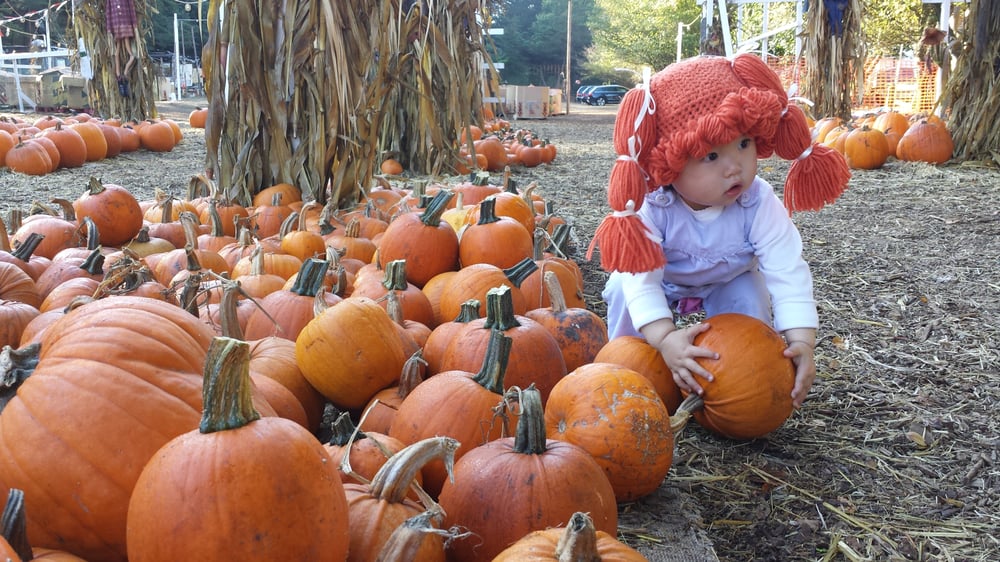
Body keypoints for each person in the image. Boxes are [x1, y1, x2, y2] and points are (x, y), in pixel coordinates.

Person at [587, 54, 851, 409]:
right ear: (671, 165)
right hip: (662, 281)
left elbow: (787, 270)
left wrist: (801, 339)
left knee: (750, 296)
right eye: (711, 156)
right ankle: (626, 375)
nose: (734, 167)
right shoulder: (653, 208)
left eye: (744, 144)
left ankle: (746, 378)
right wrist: (664, 337)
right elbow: (643, 281)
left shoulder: (758, 202)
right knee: (625, 289)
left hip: (728, 279)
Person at [106, 0, 139, 96]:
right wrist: (109, 29)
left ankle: (124, 73)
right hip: (116, 25)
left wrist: (134, 26)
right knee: (117, 52)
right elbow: (108, 13)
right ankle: (119, 78)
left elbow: (132, 10)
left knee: (127, 51)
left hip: (125, 23)